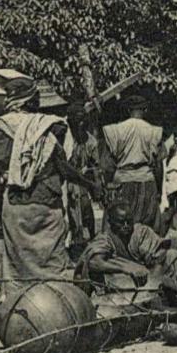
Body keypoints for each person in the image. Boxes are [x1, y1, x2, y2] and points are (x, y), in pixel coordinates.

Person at [0, 78, 98, 298]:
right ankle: (56, 311)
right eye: (36, 97)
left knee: (17, 269)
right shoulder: (48, 127)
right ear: (31, 101)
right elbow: (63, 168)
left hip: (15, 208)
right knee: (53, 266)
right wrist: (90, 185)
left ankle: (22, 313)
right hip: (45, 207)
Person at [77, 202, 177, 291]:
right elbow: (93, 262)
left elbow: (159, 255)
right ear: (111, 223)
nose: (126, 225)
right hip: (118, 280)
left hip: (146, 277)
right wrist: (126, 268)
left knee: (172, 254)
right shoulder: (105, 238)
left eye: (129, 221)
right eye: (121, 222)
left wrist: (152, 281)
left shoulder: (140, 232)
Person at [102, 95, 165, 231]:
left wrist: (108, 186)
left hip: (122, 182)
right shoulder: (154, 131)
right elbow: (158, 165)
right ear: (146, 110)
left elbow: (108, 165)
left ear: (127, 110)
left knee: (119, 223)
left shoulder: (116, 131)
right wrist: (159, 190)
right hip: (147, 182)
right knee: (148, 224)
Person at [61, 104, 99, 254]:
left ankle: (90, 240)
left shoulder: (90, 141)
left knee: (86, 211)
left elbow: (95, 166)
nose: (82, 123)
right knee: (68, 214)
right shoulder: (65, 139)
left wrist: (96, 185)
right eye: (78, 120)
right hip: (65, 182)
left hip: (81, 182)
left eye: (84, 119)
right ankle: (71, 244)